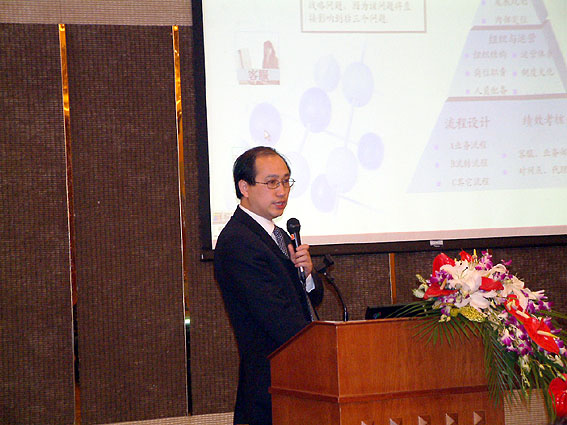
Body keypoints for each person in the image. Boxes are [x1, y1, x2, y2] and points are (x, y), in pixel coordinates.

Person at [214, 146, 324, 425]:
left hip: (294, 383)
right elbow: (277, 318)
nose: (282, 191)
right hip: (270, 388)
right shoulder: (238, 241)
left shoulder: (279, 235)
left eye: (286, 181)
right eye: (272, 182)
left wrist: (308, 274)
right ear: (244, 187)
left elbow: (309, 300)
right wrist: (326, 350)